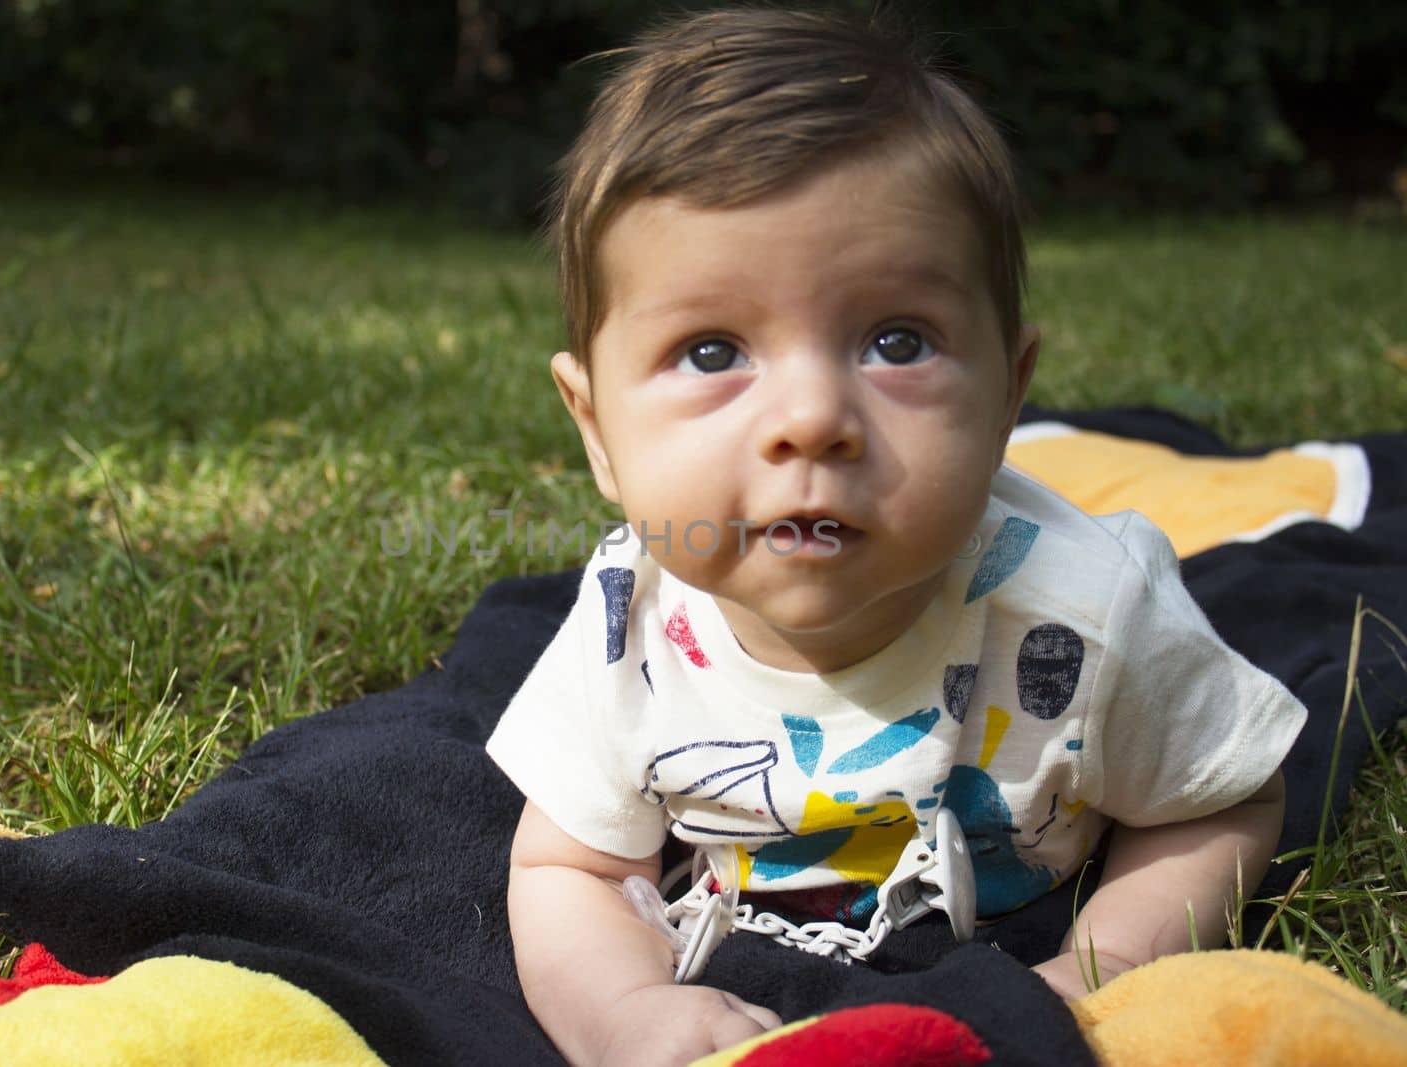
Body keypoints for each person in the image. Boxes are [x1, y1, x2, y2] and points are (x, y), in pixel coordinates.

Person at [485, 8, 1307, 1066]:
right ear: (596, 430)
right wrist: (622, 1012)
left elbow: (1222, 800)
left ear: (1005, 396)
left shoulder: (1085, 611)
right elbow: (572, 869)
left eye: (895, 341)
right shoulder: (626, 628)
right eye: (710, 349)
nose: (811, 416)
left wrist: (1093, 974)